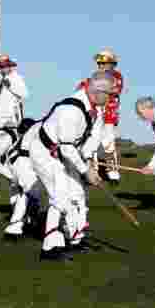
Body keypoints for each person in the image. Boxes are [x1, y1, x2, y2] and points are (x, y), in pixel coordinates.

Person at [30, 70, 113, 261]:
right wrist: (85, 171)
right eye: (110, 95)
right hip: (45, 153)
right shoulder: (71, 110)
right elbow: (66, 147)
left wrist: (89, 164)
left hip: (65, 153)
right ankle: (50, 248)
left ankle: (74, 238)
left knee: (77, 194)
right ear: (98, 90)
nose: (112, 99)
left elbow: (91, 138)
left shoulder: (95, 109)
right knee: (60, 197)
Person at [78, 48, 125, 182]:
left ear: (111, 64)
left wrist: (98, 88)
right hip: (96, 112)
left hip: (109, 114)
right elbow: (85, 88)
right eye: (99, 64)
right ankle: (93, 169)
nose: (100, 66)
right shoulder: (94, 76)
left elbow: (115, 90)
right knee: (93, 140)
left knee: (108, 141)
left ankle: (112, 169)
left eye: (103, 63)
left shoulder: (116, 76)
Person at [2, 118, 42, 241]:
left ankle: (29, 223)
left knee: (25, 196)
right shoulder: (29, 140)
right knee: (31, 194)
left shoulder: (15, 143)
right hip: (23, 168)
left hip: (14, 171)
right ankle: (15, 227)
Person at [0, 55, 28, 129]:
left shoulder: (17, 78)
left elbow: (25, 94)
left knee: (13, 137)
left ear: (9, 66)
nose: (3, 68)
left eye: (5, 66)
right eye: (1, 66)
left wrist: (11, 87)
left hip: (12, 115)